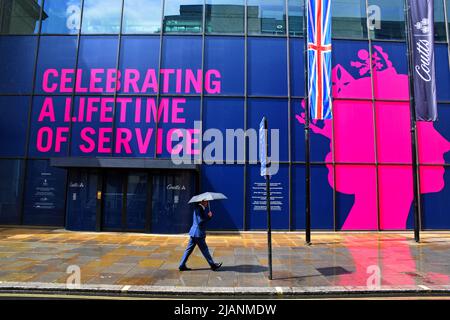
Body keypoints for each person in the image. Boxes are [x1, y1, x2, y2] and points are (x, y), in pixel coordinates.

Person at [179, 200, 222, 271]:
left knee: (188, 250)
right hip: (198, 234)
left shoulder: (197, 208)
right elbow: (200, 221)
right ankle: (213, 265)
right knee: (205, 250)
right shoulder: (200, 209)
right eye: (206, 202)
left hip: (193, 233)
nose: (207, 203)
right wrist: (209, 216)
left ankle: (181, 265)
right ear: (202, 202)